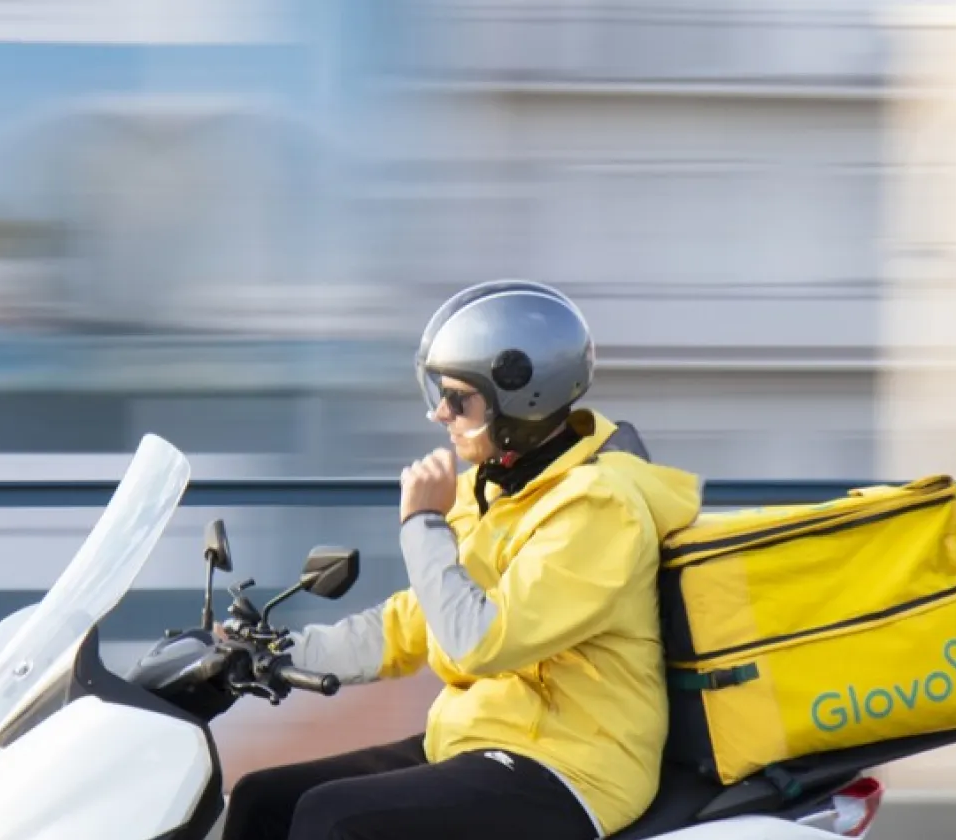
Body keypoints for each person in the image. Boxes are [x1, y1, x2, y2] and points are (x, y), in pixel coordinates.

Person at [220, 280, 704, 840]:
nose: (440, 414)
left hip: (572, 766)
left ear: (520, 399)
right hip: (481, 740)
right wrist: (274, 652)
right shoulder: (495, 490)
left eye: (458, 398)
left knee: (334, 820)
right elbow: (419, 618)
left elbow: (479, 642)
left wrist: (421, 525)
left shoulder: (597, 509)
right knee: (263, 800)